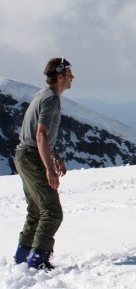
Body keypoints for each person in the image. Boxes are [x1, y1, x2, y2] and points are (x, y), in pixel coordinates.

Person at [13, 57, 75, 270]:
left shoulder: (41, 95)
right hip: (32, 157)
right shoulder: (51, 99)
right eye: (69, 74)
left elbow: (39, 134)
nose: (72, 78)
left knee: (36, 210)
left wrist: (55, 155)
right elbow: (40, 135)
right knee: (52, 211)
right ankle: (38, 259)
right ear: (60, 77)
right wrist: (49, 168)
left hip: (24, 156)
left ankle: (23, 256)